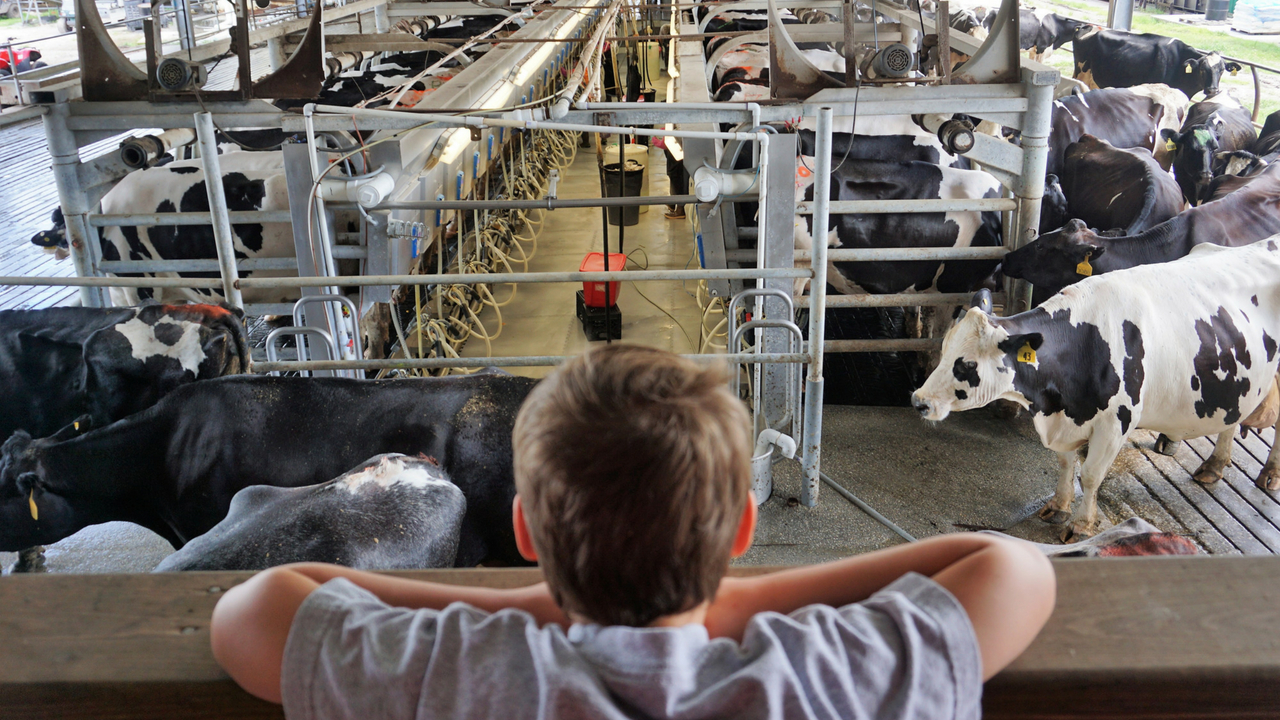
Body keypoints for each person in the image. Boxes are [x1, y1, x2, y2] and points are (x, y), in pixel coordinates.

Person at [211, 344, 1056, 720]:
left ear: (525, 533)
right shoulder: (828, 677)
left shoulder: (461, 672)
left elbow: (256, 609)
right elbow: (1011, 568)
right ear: (742, 530)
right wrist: (732, 601)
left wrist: (532, 605)